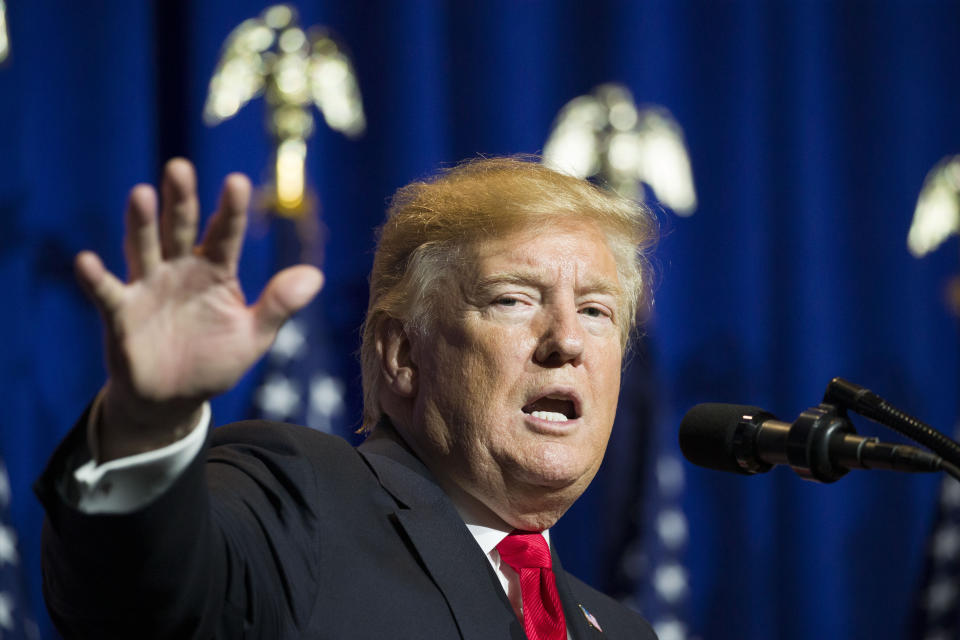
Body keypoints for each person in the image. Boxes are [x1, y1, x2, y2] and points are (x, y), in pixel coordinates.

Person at [35, 156, 660, 639]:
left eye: (596, 311)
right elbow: (137, 602)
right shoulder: (301, 502)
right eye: (513, 300)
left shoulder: (622, 629)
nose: (568, 340)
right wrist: (146, 422)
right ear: (403, 354)